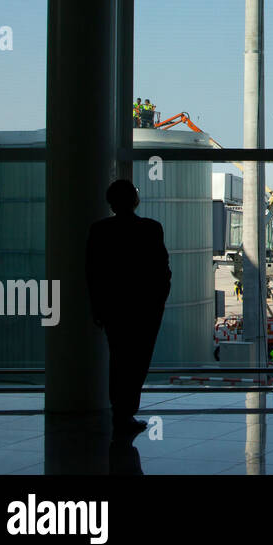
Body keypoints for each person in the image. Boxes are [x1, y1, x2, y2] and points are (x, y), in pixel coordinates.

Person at [85, 179, 171, 435]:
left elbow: (93, 273)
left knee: (118, 358)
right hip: (145, 309)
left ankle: (119, 411)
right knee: (138, 361)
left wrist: (97, 307)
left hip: (114, 308)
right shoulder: (151, 228)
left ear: (110, 202)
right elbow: (162, 270)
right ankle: (126, 412)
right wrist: (158, 302)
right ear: (135, 200)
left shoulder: (99, 230)